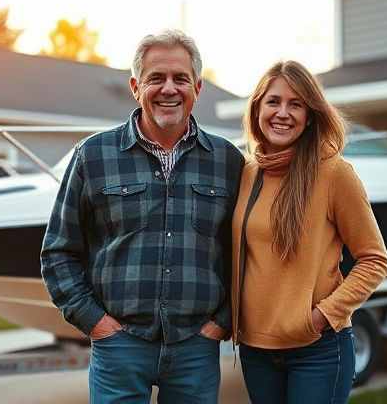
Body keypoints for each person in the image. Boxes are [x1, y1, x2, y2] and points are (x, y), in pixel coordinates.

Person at [41, 29, 244, 404]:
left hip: (196, 349)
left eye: (180, 78)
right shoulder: (93, 156)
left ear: (197, 88)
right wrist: (97, 324)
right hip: (119, 347)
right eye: (156, 78)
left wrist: (221, 324)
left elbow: (246, 255)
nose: (169, 88)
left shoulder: (228, 161)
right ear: (136, 86)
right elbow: (58, 251)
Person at [231, 60, 387, 403]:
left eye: (296, 103)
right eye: (273, 101)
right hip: (257, 351)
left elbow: (374, 260)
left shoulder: (334, 173)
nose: (283, 113)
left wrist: (321, 317)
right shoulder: (246, 172)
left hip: (317, 350)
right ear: (257, 108)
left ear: (310, 114)